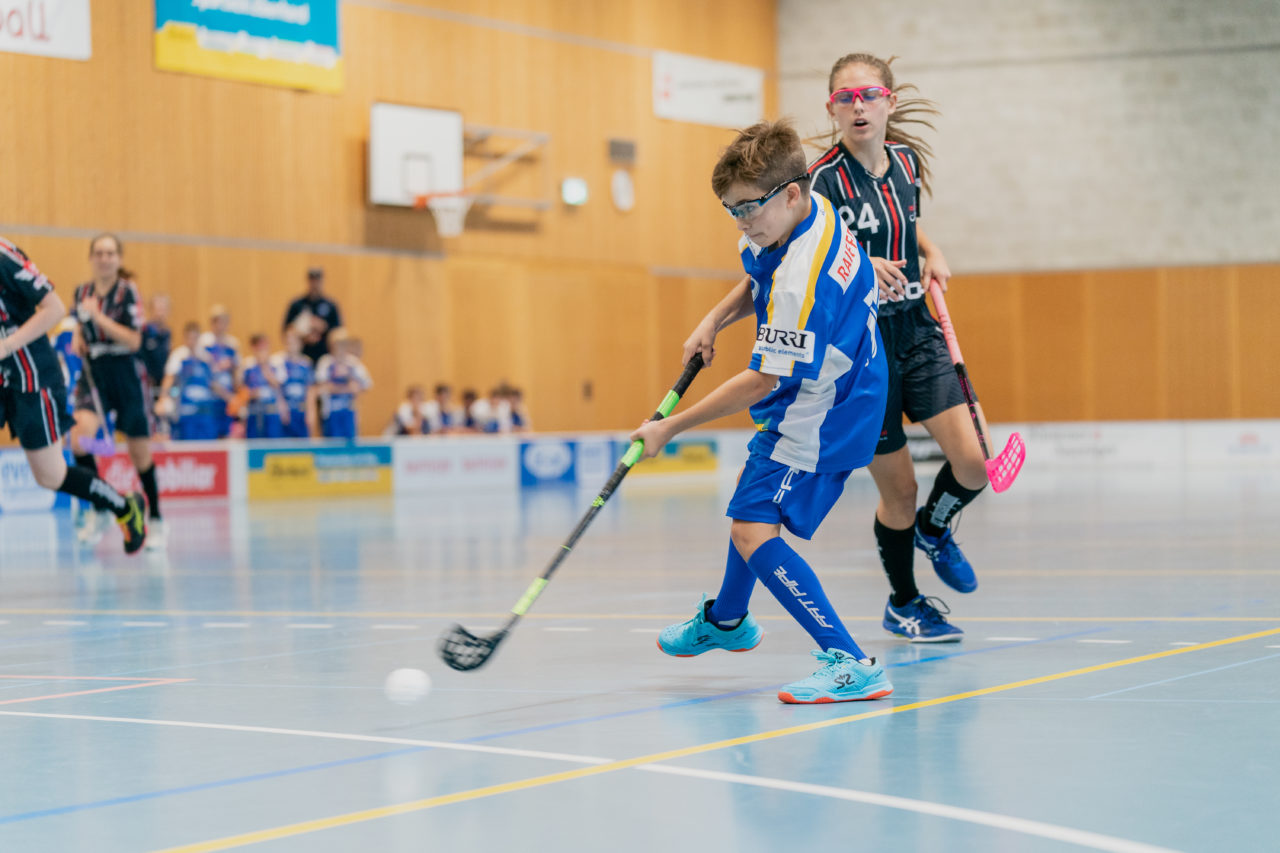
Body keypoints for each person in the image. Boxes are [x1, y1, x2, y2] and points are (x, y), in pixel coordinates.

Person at [634, 119, 892, 705]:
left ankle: (851, 662)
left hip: (828, 410)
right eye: (731, 210)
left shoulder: (807, 275)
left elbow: (762, 379)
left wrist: (669, 428)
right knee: (753, 505)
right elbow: (758, 275)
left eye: (749, 209)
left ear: (791, 193)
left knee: (754, 530)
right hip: (835, 385)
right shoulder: (801, 210)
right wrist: (713, 320)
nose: (742, 222)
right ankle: (726, 621)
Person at [807, 52, 989, 643]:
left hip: (917, 328)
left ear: (888, 99)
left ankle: (938, 529)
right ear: (832, 108)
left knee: (974, 460)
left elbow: (906, 220)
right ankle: (904, 602)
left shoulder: (906, 162)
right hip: (861, 350)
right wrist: (861, 265)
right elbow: (808, 258)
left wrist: (930, 250)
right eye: (844, 98)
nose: (857, 106)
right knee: (901, 491)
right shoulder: (823, 180)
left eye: (867, 94)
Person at [0, 237, 147, 553]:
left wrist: (5, 347)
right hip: (3, 378)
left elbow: (54, 309)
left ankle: (124, 507)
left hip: (32, 378)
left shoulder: (3, 255)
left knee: (50, 476)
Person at [67, 234, 165, 549]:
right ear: (91, 257)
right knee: (80, 438)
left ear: (119, 259)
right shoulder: (81, 292)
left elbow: (134, 341)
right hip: (94, 371)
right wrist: (79, 336)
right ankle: (100, 509)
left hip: (126, 372)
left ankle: (156, 518)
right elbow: (80, 327)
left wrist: (97, 318)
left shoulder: (128, 293)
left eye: (110, 253)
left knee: (139, 452)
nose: (104, 258)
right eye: (99, 252)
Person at [159, 321, 220, 441]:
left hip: (205, 413)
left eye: (195, 338)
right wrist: (163, 398)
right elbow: (169, 380)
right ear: (184, 338)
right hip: (185, 413)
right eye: (189, 338)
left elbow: (213, 383)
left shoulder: (206, 357)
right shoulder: (178, 356)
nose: (192, 341)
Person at [315, 328, 372, 439]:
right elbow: (323, 387)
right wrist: (346, 387)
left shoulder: (353, 363)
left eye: (343, 344)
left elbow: (366, 384)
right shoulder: (326, 362)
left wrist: (348, 376)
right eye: (337, 344)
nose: (340, 348)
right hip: (331, 413)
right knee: (332, 446)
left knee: (350, 446)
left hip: (349, 413)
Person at [282, 267, 342, 364]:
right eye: (312, 281)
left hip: (324, 354)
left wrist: (324, 326)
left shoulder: (330, 305)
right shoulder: (297, 305)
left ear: (322, 281)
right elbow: (286, 330)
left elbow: (339, 332)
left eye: (317, 281)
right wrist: (304, 335)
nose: (315, 284)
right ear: (308, 281)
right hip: (302, 354)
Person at [197, 305, 239, 438]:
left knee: (227, 435)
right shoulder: (204, 343)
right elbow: (205, 374)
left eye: (224, 322)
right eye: (218, 321)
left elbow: (236, 373)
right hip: (211, 399)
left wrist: (235, 396)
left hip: (227, 401)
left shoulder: (232, 344)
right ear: (212, 323)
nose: (221, 326)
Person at [240, 333, 289, 439]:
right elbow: (241, 390)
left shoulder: (276, 364)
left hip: (272, 411)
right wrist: (252, 394)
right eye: (259, 347)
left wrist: (265, 368)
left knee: (273, 442)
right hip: (254, 411)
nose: (262, 349)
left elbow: (279, 386)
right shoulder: (247, 366)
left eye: (264, 346)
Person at [272, 327, 316, 439]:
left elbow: (310, 389)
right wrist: (281, 407)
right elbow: (276, 387)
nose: (290, 345)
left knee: (303, 446)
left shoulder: (306, 363)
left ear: (301, 343)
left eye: (294, 341)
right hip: (286, 411)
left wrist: (311, 412)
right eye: (288, 341)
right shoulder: (278, 362)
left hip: (301, 411)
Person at [138, 293, 171, 434]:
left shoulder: (167, 333)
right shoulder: (145, 331)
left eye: (164, 309)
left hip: (163, 383)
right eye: (158, 308)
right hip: (147, 383)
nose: (161, 312)